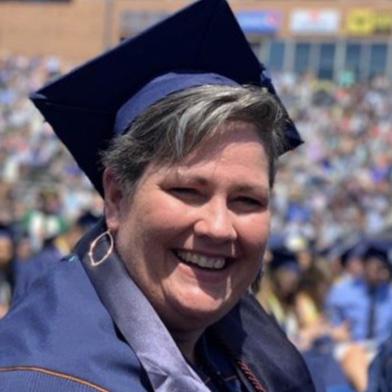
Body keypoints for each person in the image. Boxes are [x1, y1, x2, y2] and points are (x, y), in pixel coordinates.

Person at [0, 1, 316, 390]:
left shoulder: (255, 352)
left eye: (247, 200)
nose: (219, 227)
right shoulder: (41, 377)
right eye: (187, 191)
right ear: (116, 196)